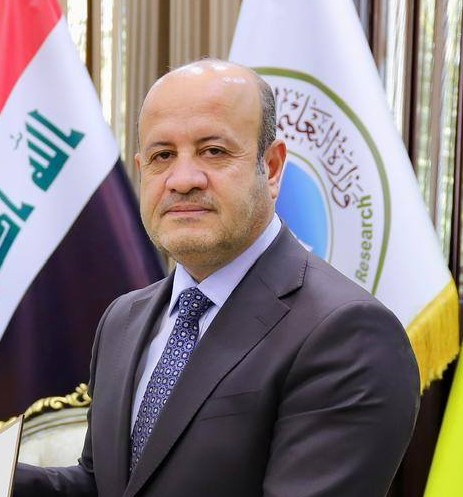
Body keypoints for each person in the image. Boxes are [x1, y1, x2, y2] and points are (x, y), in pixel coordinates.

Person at [14, 59, 420, 497]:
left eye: (214, 151)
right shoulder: (122, 320)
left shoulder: (350, 334)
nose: (183, 180)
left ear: (272, 167)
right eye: (162, 156)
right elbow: (104, 486)